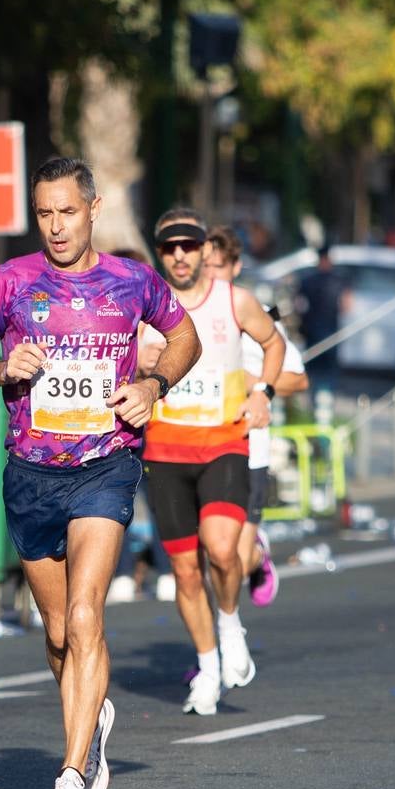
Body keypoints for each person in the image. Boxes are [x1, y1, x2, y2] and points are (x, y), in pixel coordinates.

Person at [0, 157, 200, 789]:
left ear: (92, 209)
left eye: (67, 211)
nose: (56, 227)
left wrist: (153, 386)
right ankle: (92, 716)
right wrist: (5, 367)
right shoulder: (10, 282)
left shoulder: (132, 281)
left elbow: (185, 337)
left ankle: (72, 774)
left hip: (106, 465)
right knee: (59, 632)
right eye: (44, 214)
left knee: (87, 616)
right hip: (31, 474)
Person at [141, 208, 285, 717]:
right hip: (165, 450)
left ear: (205, 249)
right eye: (169, 247)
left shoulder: (234, 300)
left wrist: (263, 392)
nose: (180, 255)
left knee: (222, 550)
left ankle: (228, 620)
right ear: (159, 253)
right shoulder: (141, 305)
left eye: (189, 245)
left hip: (224, 442)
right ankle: (206, 666)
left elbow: (273, 342)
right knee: (183, 571)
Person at [203, 226, 309, 607]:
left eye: (218, 266)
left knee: (237, 558)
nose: (210, 274)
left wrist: (251, 382)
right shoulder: (186, 317)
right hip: (200, 446)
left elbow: (298, 380)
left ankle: (258, 556)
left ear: (235, 267)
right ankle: (218, 653)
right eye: (204, 266)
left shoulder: (258, 317)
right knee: (215, 555)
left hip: (251, 448)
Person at [100, 247, 174, 606]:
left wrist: (146, 370)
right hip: (112, 428)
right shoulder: (105, 315)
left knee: (157, 501)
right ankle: (125, 572)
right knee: (117, 503)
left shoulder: (157, 324)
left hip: (155, 429)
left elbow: (160, 366)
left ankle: (166, 570)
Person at [295, 246, 349, 390]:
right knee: (327, 371)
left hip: (313, 329)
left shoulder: (307, 280)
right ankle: (325, 399)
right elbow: (347, 305)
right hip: (329, 329)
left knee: (314, 369)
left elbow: (299, 305)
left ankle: (315, 398)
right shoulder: (339, 280)